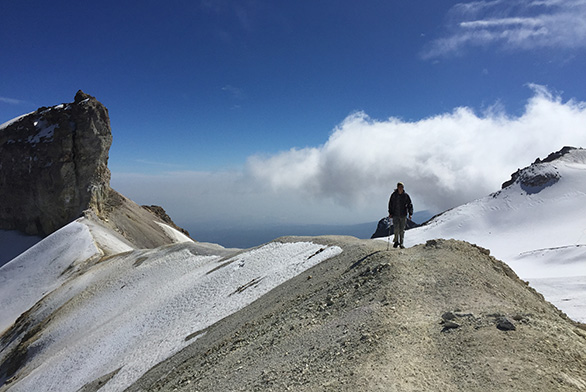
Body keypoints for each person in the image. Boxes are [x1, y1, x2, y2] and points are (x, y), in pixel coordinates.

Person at [388, 182, 413, 249]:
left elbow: (409, 205)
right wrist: (390, 213)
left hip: (403, 215)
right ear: (397, 187)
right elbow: (390, 204)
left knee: (402, 230)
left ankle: (401, 243)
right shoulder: (394, 195)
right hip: (395, 215)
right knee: (396, 229)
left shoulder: (406, 196)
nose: (401, 188)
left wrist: (410, 213)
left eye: (402, 187)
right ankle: (396, 241)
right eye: (400, 187)